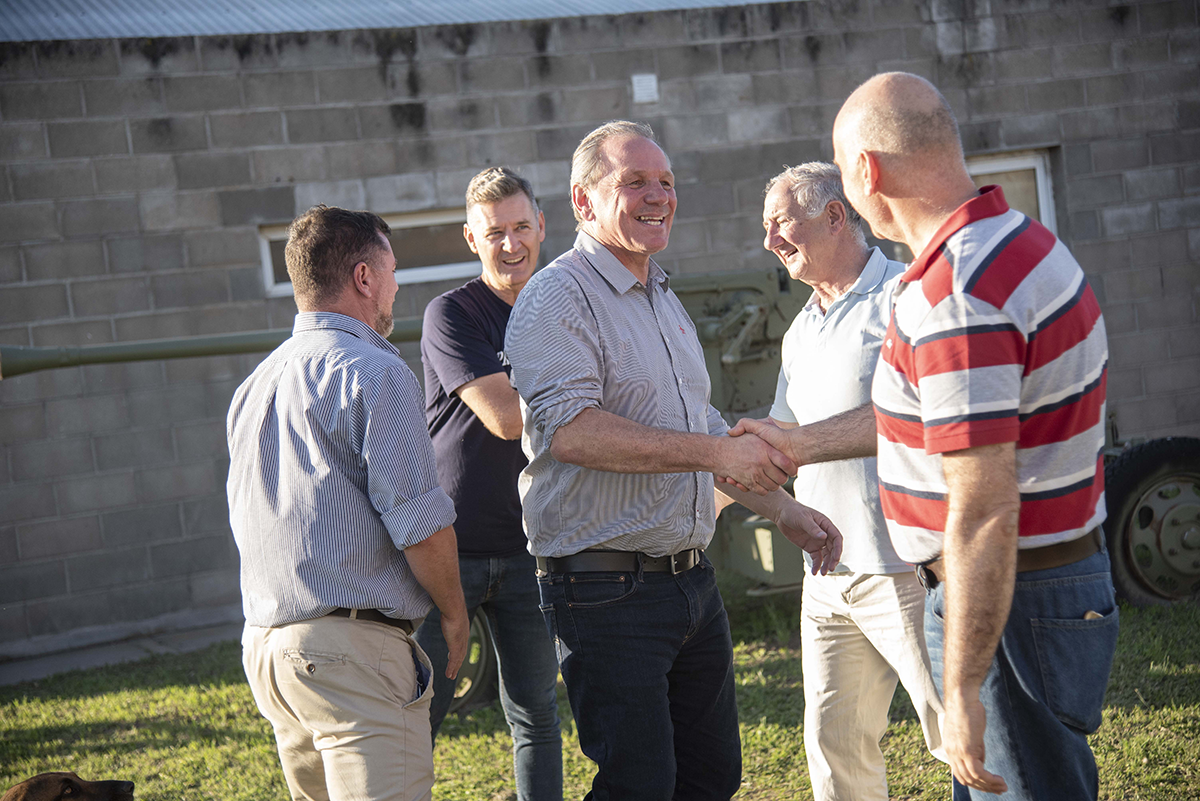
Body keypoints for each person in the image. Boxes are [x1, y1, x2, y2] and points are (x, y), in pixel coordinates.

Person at [734, 73, 1117, 799]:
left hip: (1009, 599)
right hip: (1037, 582)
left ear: (866, 175)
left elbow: (982, 507)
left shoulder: (957, 291)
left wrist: (965, 683)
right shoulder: (1023, 243)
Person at [504, 119, 843, 801]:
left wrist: (785, 509)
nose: (658, 195)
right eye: (634, 181)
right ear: (583, 200)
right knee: (640, 786)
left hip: (691, 584)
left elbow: (700, 428)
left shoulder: (662, 296)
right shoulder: (557, 296)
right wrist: (720, 449)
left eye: (666, 182)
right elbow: (574, 431)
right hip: (603, 591)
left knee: (710, 778)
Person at [227, 205, 469, 801]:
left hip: (269, 653)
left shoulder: (255, 383)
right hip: (350, 655)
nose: (394, 286)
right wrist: (456, 613)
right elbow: (420, 521)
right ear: (364, 277)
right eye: (391, 270)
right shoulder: (376, 370)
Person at [760, 162, 945, 800]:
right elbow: (781, 441)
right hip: (827, 578)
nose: (770, 241)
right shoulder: (800, 329)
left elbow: (919, 410)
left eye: (781, 223)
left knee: (959, 733)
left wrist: (789, 442)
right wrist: (716, 459)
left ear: (836, 215)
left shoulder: (904, 294)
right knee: (834, 750)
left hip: (909, 568)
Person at [415, 167, 563, 800]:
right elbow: (506, 419)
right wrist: (585, 404)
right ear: (470, 237)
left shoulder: (560, 308)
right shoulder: (452, 313)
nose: (511, 244)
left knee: (536, 716)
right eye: (494, 232)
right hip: (452, 549)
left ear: (542, 228)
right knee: (419, 715)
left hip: (532, 545)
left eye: (521, 228)